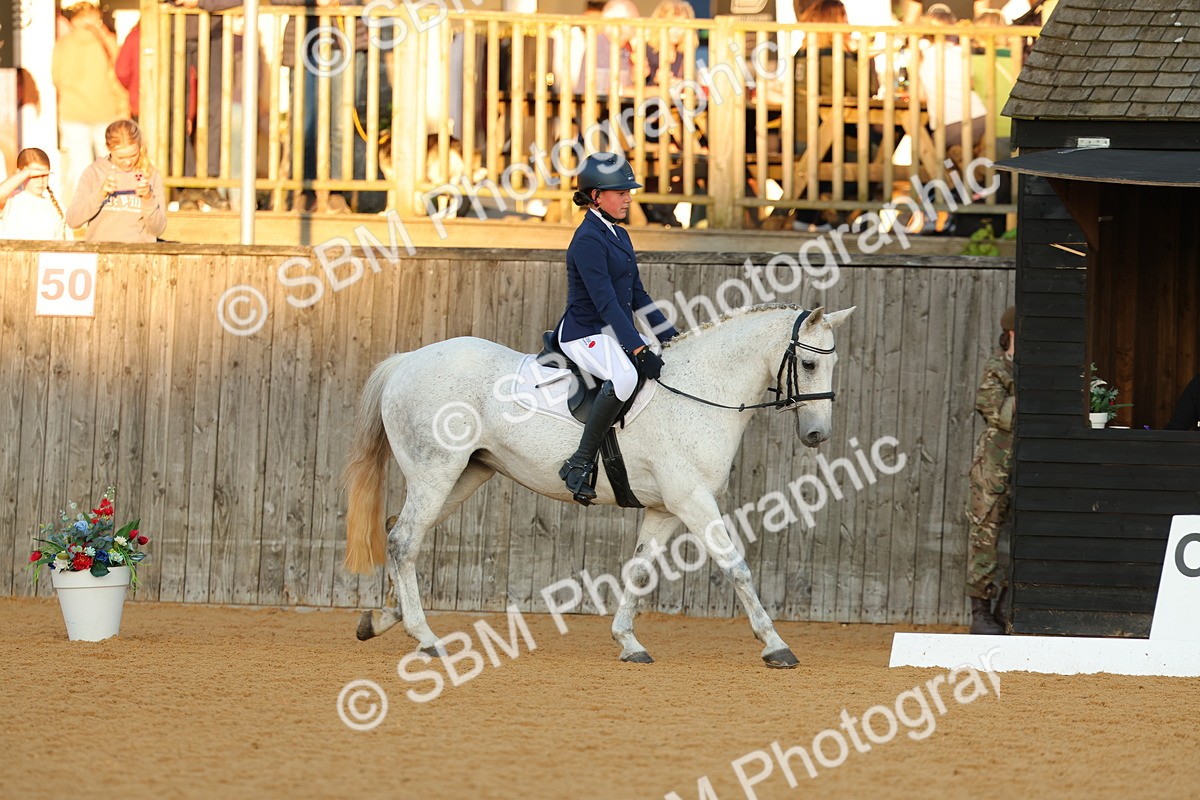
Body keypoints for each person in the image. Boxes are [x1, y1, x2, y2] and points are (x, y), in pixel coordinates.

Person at [556, 153, 678, 505]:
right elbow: (607, 302)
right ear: (596, 196)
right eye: (620, 191)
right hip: (585, 331)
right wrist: (638, 350)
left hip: (612, 329)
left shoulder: (620, 236)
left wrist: (671, 336)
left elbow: (637, 293)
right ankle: (579, 462)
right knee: (625, 377)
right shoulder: (588, 240)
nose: (628, 197)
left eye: (628, 191)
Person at [51, 1, 130, 208]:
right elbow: (121, 67)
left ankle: (83, 210)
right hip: (104, 111)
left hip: (73, 111)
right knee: (108, 164)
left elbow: (56, 77)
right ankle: (110, 208)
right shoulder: (105, 41)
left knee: (80, 166)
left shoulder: (63, 43)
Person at [966, 304, 1015, 635]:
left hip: (1027, 471)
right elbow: (1000, 415)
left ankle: (1004, 609)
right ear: (1012, 333)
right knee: (985, 540)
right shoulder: (997, 368)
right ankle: (980, 614)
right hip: (993, 472)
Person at [65, 120, 167, 243]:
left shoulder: (151, 174)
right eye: (121, 157)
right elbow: (72, 220)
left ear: (140, 147)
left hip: (140, 255)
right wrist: (100, 195)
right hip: (101, 253)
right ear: (109, 148)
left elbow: (158, 229)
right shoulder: (94, 173)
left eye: (133, 155)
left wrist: (148, 198)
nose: (128, 162)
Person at [918, 4, 987, 153]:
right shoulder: (963, 52)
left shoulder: (922, 56)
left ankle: (954, 173)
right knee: (967, 154)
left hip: (948, 126)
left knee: (933, 148)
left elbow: (920, 96)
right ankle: (971, 172)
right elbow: (974, 83)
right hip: (981, 118)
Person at [0, 149, 72, 241]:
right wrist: (27, 172)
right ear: (20, 174)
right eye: (34, 175)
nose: (40, 181)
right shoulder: (11, 201)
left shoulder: (58, 208)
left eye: (44, 175)